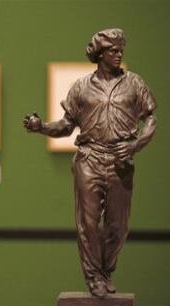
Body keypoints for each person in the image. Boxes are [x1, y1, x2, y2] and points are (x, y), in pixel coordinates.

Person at [23, 29, 156, 297]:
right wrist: (42, 127)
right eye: (112, 51)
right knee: (88, 223)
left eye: (121, 50)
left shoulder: (134, 84)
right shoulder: (82, 87)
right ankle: (94, 276)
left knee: (118, 226)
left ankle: (106, 270)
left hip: (121, 161)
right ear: (99, 54)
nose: (118, 55)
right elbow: (67, 126)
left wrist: (135, 145)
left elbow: (151, 118)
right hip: (89, 159)